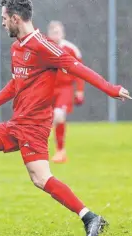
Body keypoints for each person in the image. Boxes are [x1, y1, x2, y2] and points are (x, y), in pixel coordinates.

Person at [0, 1, 131, 236]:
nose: (1, 22)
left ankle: (90, 217)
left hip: (34, 127)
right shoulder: (16, 48)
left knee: (41, 179)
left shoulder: (43, 46)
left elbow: (76, 67)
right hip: (16, 124)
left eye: (4, 18)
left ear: (15, 19)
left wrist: (111, 89)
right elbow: (16, 83)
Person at [47, 20, 85, 163]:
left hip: (65, 88)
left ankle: (60, 151)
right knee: (48, 119)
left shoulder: (71, 49)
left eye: (58, 32)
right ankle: (53, 152)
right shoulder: (44, 48)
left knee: (58, 115)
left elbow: (81, 72)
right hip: (48, 89)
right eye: (53, 32)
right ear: (49, 34)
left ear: (62, 33)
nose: (55, 35)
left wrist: (79, 91)